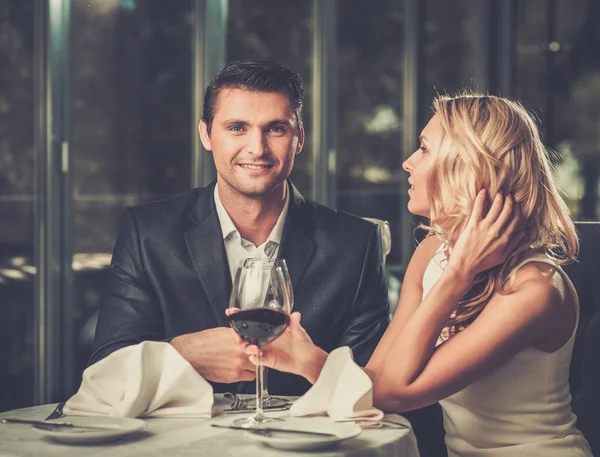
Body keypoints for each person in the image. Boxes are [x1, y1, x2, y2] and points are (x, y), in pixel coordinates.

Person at [245, 94, 593, 456]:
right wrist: (306, 358)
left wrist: (458, 274)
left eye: (425, 149)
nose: (408, 162)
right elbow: (378, 383)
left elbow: (396, 393)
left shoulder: (534, 288)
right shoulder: (432, 253)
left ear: (468, 166)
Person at [90, 60, 390, 396]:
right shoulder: (148, 234)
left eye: (275, 128)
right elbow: (106, 373)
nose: (257, 148)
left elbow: (375, 390)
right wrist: (181, 355)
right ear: (206, 134)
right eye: (237, 128)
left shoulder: (356, 244)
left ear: (299, 137)